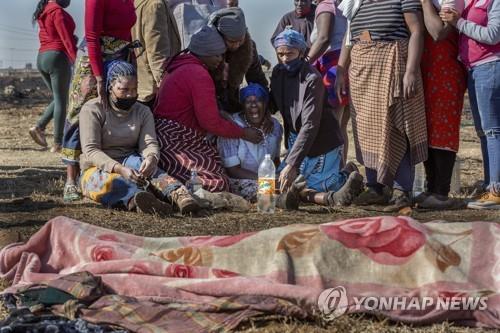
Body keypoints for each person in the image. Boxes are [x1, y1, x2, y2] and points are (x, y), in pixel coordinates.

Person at [337, 0, 428, 211]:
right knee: (367, 130)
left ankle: (401, 190)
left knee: (398, 126)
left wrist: (411, 70)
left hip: (394, 68)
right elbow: (349, 38)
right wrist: (341, 70)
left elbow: (416, 31)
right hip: (362, 75)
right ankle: (375, 188)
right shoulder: (354, 2)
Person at [79, 60, 201, 215]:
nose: (130, 94)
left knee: (150, 169)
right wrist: (119, 169)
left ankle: (178, 195)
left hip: (130, 160)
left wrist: (151, 158)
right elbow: (91, 150)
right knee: (109, 183)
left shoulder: (142, 111)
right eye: (123, 89)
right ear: (110, 87)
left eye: (134, 89)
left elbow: (149, 143)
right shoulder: (92, 109)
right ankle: (140, 200)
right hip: (94, 167)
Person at [154, 26, 263, 193]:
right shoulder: (198, 74)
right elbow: (210, 122)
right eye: (217, 55)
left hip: (165, 139)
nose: (220, 60)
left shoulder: (179, 66)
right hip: (178, 141)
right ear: (204, 53)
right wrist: (243, 133)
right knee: (216, 183)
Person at [271, 28, 364, 207]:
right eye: (280, 54)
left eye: (289, 54)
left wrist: (292, 163)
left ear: (300, 52)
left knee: (313, 183)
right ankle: (330, 197)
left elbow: (310, 125)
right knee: (278, 183)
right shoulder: (277, 73)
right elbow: (273, 102)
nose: (284, 59)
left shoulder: (311, 79)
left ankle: (343, 176)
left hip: (321, 141)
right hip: (297, 139)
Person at [61, 0, 137, 202]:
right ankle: (70, 179)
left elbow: (127, 30)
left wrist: (131, 59)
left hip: (121, 56)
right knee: (79, 113)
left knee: (115, 111)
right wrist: (98, 77)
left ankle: (103, 170)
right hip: (93, 59)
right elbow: (93, 37)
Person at [441, 1, 500, 209]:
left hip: (489, 66)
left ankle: (496, 189)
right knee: (484, 132)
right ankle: (490, 184)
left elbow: (493, 35)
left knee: (492, 131)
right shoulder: (471, 2)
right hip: (475, 69)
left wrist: (459, 22)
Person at [417, 0, 467, 209]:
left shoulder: (450, 1)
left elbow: (438, 33)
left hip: (445, 69)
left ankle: (441, 192)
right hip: (425, 69)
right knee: (427, 129)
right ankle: (431, 188)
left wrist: (425, 1)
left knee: (443, 130)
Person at [218, 84, 283, 202]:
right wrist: (266, 180)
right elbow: (233, 170)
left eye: (258, 100)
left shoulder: (275, 126)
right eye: (248, 101)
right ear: (242, 105)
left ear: (265, 104)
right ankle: (279, 200)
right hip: (241, 181)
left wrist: (279, 178)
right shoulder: (232, 127)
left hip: (269, 179)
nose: (253, 105)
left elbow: (276, 161)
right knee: (262, 189)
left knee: (286, 183)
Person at [29, 0, 77, 153]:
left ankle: (39, 127)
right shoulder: (56, 11)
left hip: (42, 57)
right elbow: (65, 37)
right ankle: (57, 143)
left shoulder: (44, 10)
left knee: (59, 98)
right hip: (57, 57)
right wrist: (75, 58)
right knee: (62, 100)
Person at [307, 0, 349, 165]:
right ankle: (341, 168)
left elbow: (323, 39)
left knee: (332, 126)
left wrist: (304, 63)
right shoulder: (341, 5)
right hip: (345, 64)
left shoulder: (325, 6)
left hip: (333, 67)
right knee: (340, 126)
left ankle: (333, 170)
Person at [208, 7, 269, 114]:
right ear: (219, 35)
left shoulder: (249, 47)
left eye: (240, 40)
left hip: (233, 102)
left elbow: (257, 79)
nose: (236, 45)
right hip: (209, 103)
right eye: (231, 41)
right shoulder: (207, 50)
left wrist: (264, 109)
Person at [132, 0, 182, 110]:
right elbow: (157, 53)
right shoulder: (155, 5)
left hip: (141, 84)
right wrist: (166, 87)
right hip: (153, 89)